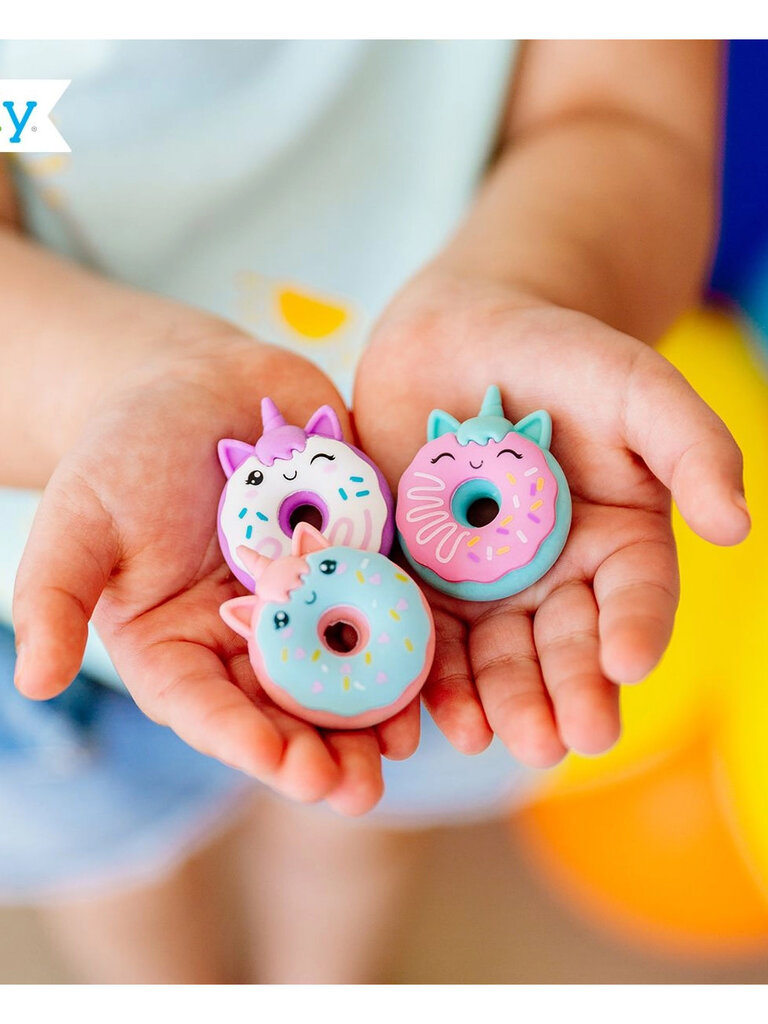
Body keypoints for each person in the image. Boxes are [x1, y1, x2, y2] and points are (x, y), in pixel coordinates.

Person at [0, 40, 748, 983]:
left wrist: (536, 290)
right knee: (119, 874)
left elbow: (624, 112)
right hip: (69, 548)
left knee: (351, 829)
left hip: (454, 608)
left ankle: (326, 985)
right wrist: (122, 388)